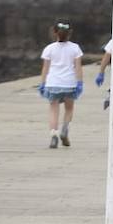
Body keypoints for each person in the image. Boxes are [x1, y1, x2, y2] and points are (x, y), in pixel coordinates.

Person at [38, 20, 83, 149]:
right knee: (69, 108)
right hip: (69, 83)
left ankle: (53, 135)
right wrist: (79, 83)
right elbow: (78, 67)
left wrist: (42, 83)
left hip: (53, 83)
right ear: (70, 34)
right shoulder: (75, 48)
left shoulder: (49, 49)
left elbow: (45, 69)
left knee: (53, 109)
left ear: (55, 33)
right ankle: (65, 129)